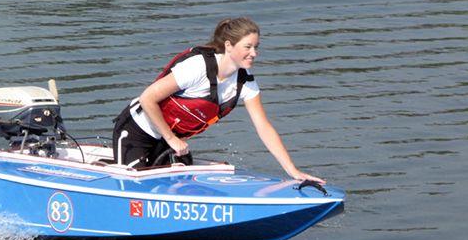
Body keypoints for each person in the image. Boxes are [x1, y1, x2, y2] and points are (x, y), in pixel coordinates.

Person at [112, 17, 325, 184]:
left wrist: (292, 170)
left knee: (177, 184)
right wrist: (171, 138)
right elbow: (148, 98)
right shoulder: (197, 68)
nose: (254, 53)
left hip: (170, 143)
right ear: (229, 46)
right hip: (138, 131)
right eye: (248, 47)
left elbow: (264, 127)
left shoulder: (246, 84)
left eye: (256, 47)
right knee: (135, 184)